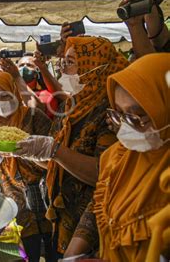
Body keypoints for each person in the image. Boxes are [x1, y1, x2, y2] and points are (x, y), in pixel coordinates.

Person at [12, 36, 128, 256]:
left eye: (71, 62)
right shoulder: (70, 107)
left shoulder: (113, 112)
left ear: (93, 64)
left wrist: (54, 150)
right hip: (62, 220)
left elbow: (104, 174)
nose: (64, 68)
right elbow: (56, 163)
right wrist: (22, 152)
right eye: (62, 61)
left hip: (95, 231)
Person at [66, 53, 170, 260]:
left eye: (137, 116)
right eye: (119, 114)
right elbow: (100, 204)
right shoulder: (116, 157)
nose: (126, 127)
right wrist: (72, 254)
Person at [0, 71, 54, 262]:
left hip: (48, 201)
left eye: (5, 95)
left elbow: (56, 164)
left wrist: (30, 153)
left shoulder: (35, 117)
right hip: (17, 206)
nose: (0, 101)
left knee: (53, 251)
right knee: (28, 254)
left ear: (15, 94)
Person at [17, 54, 59, 118]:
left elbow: (35, 111)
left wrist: (17, 79)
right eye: (21, 65)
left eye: (29, 65)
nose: (24, 67)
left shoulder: (46, 95)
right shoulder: (9, 91)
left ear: (36, 73)